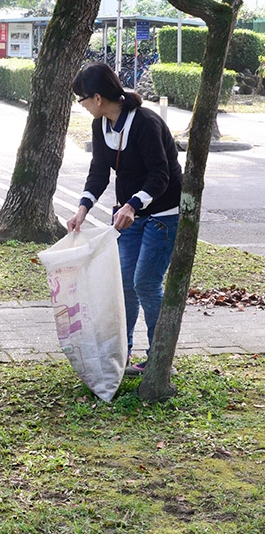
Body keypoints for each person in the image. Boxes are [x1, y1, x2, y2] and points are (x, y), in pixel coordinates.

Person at [65, 62, 182, 375]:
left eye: (82, 99)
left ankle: (160, 358)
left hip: (162, 213)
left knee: (145, 282)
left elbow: (161, 175)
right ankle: (121, 356)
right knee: (125, 285)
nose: (82, 105)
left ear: (98, 98)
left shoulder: (145, 123)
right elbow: (99, 172)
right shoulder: (100, 125)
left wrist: (133, 205)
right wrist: (82, 208)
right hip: (127, 216)